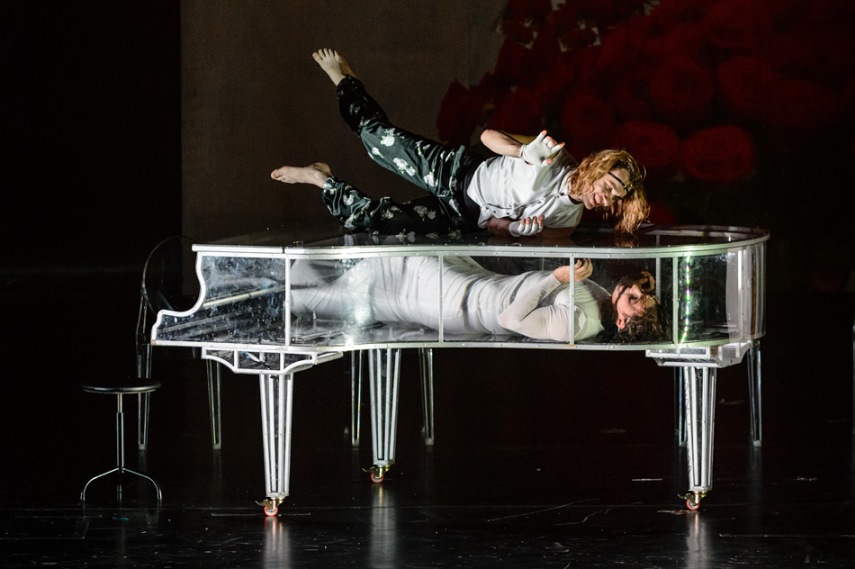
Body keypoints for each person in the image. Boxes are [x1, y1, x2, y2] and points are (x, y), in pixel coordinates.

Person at [271, 48, 650, 239]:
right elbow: (487, 136)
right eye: (609, 187)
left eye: (615, 199)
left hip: (462, 216)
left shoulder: (570, 221)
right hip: (455, 173)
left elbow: (499, 227)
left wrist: (510, 231)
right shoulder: (553, 154)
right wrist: (522, 152)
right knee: (375, 141)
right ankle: (345, 81)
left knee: (375, 223)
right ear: (597, 168)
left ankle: (322, 179)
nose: (606, 199)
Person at [289, 256, 667, 344]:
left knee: (363, 296)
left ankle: (287, 295)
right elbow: (623, 286)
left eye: (635, 301)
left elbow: (509, 320)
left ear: (621, 323)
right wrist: (638, 282)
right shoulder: (602, 301)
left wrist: (556, 278)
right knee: (363, 281)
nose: (634, 292)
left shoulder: (579, 324)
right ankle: (293, 281)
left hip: (453, 300)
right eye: (641, 294)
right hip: (466, 281)